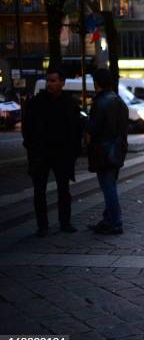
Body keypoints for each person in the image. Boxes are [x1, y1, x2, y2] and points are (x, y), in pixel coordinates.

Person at [22, 67, 82, 237]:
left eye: (54, 80)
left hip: (61, 153)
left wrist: (73, 151)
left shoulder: (69, 103)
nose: (50, 84)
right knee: (39, 190)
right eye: (48, 80)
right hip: (40, 153)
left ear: (62, 83)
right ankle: (43, 225)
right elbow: (27, 128)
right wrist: (31, 147)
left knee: (63, 189)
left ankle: (65, 221)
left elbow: (75, 128)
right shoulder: (36, 103)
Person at [86, 69, 129, 235]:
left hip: (104, 150)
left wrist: (84, 120)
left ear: (96, 82)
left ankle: (114, 221)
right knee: (110, 185)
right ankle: (108, 219)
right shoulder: (118, 100)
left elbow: (94, 127)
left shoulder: (101, 102)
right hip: (117, 149)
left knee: (108, 187)